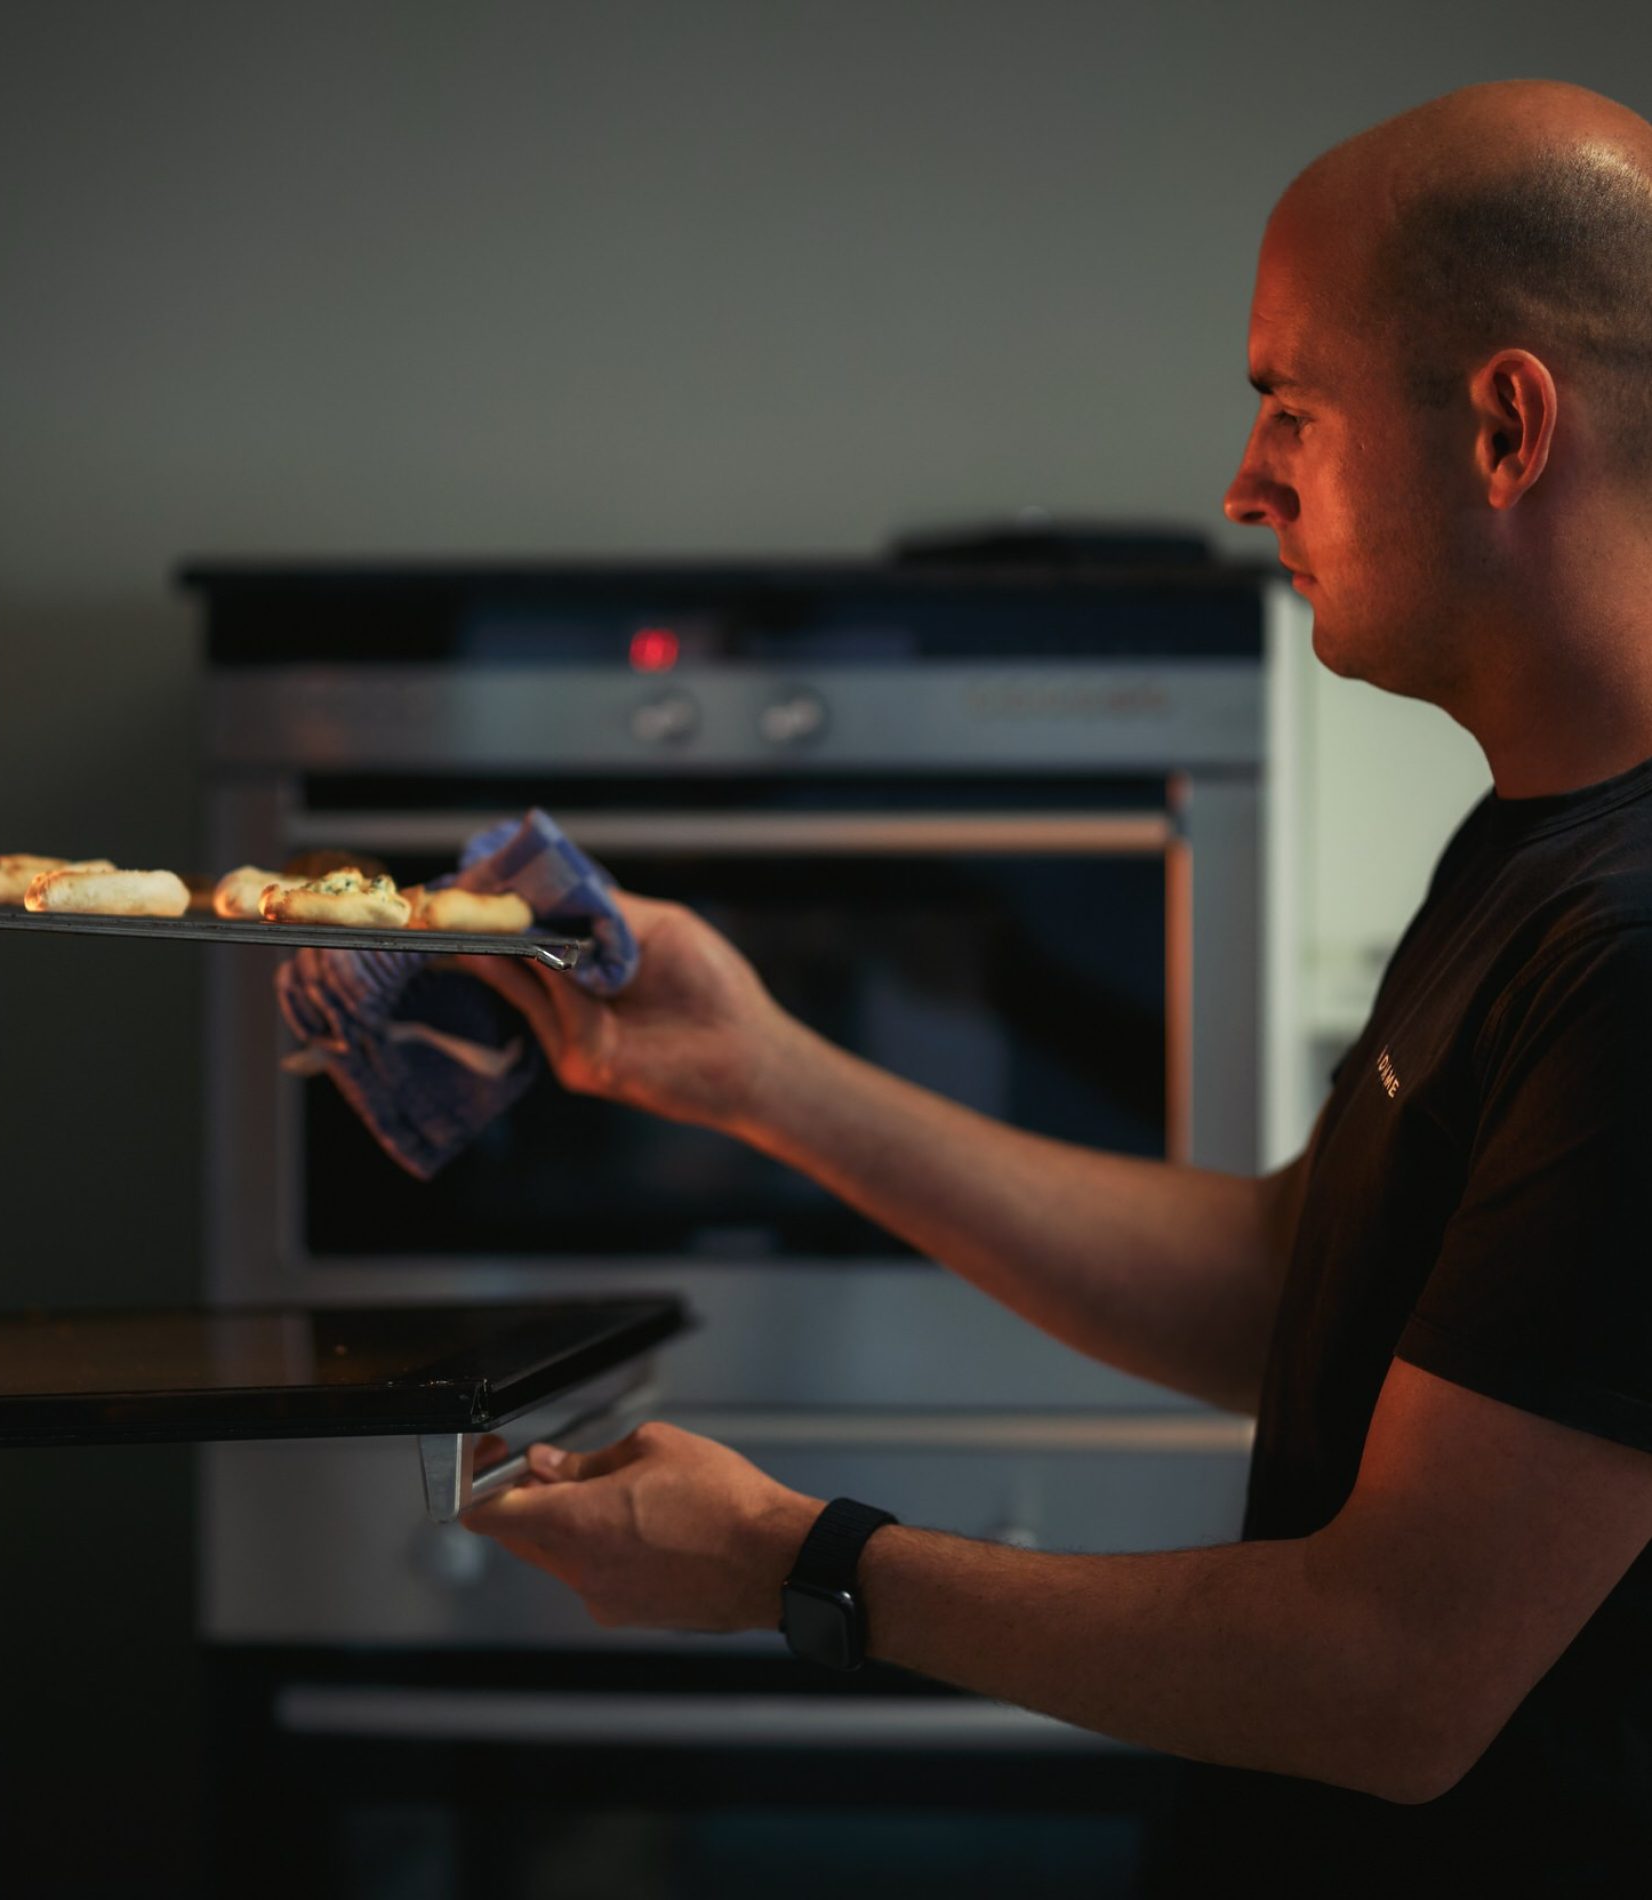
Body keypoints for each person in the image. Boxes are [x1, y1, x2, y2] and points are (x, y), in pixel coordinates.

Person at [459, 80, 1652, 1891]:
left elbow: (1393, 1678)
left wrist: (797, 1560)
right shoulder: (1540, 843)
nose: (1244, 483)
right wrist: (758, 1072)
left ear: (1503, 426)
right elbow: (1291, 1285)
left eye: (1287, 403)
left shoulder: (1636, 952)